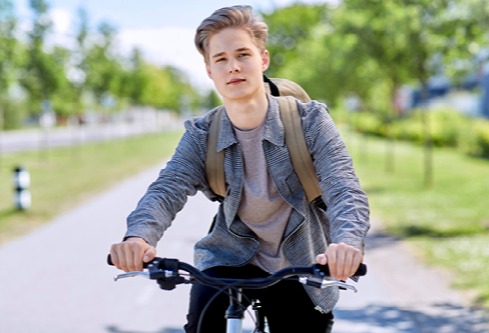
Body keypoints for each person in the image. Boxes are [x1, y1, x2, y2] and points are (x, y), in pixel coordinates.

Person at [110, 5, 370, 333]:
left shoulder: (310, 122)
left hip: (302, 263)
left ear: (262, 59)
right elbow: (168, 188)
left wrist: (347, 243)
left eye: (242, 54)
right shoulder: (202, 134)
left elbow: (343, 186)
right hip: (229, 257)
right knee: (204, 325)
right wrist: (138, 237)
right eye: (220, 59)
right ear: (209, 70)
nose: (232, 66)